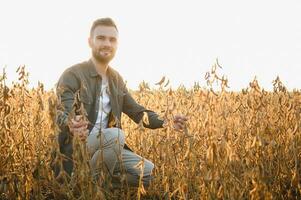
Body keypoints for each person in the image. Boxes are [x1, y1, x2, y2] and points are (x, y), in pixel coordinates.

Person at [55, 17, 187, 188]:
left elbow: (138, 113)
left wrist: (167, 122)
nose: (107, 44)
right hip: (77, 148)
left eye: (112, 39)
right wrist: (70, 124)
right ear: (90, 41)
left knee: (149, 173)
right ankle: (85, 182)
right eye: (101, 38)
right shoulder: (72, 74)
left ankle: (91, 183)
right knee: (116, 135)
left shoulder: (116, 79)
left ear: (117, 44)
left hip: (108, 150)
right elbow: (60, 112)